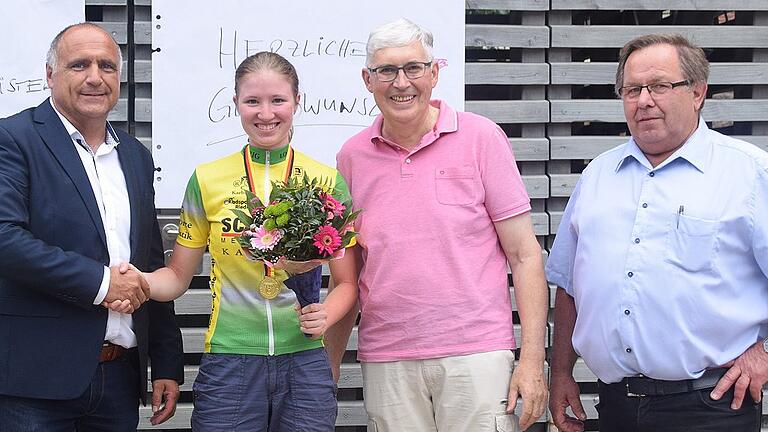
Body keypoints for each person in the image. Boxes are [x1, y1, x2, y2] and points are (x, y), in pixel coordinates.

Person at [108, 51, 359, 431]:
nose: (265, 113)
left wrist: (328, 313)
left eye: (278, 100)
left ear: (297, 101)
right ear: (236, 104)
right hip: (230, 360)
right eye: (252, 101)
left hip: (306, 359)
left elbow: (348, 282)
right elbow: (177, 276)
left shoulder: (326, 180)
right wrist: (139, 280)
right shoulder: (208, 179)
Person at [324, 18, 549, 432]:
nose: (401, 82)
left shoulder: (482, 137)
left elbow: (525, 254)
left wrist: (533, 360)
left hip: (476, 354)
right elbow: (348, 276)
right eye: (386, 71)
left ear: (434, 73)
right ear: (367, 80)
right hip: (387, 358)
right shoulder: (351, 158)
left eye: (413, 68)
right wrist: (329, 366)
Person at [547, 33, 768, 432]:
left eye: (660, 86)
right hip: (616, 407)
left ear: (698, 92)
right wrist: (560, 373)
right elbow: (569, 287)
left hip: (711, 407)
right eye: (631, 89)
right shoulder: (598, 175)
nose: (643, 100)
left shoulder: (749, 174)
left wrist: (764, 353)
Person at [0, 23, 184, 431]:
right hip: (33, 387)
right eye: (79, 64)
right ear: (50, 75)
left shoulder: (134, 156)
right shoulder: (13, 139)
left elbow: (151, 261)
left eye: (106, 66)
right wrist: (102, 284)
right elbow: (5, 239)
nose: (95, 77)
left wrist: (166, 361)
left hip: (118, 381)